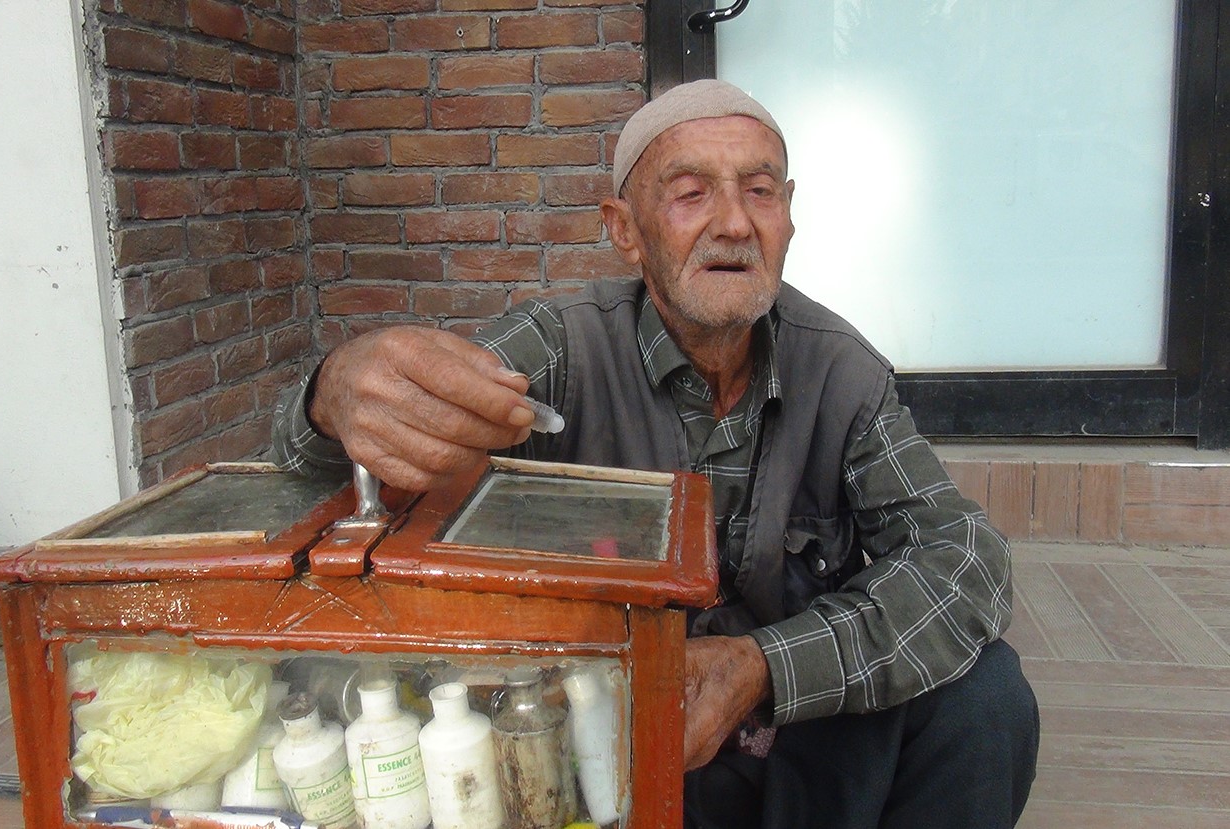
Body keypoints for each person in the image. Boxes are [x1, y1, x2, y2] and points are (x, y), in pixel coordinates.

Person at [273, 79, 1039, 828]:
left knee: (985, 696)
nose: (735, 223)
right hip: (592, 736)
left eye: (760, 190)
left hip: (790, 728)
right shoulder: (561, 348)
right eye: (691, 192)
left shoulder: (841, 371)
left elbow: (963, 558)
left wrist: (761, 665)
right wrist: (333, 398)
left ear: (789, 215)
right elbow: (339, 463)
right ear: (625, 229)